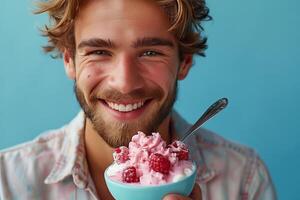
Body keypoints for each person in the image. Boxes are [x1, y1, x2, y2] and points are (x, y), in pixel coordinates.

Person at [0, 0, 276, 199]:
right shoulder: (8, 183)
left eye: (151, 53)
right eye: (98, 51)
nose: (125, 83)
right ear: (69, 60)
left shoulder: (244, 178)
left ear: (184, 62)